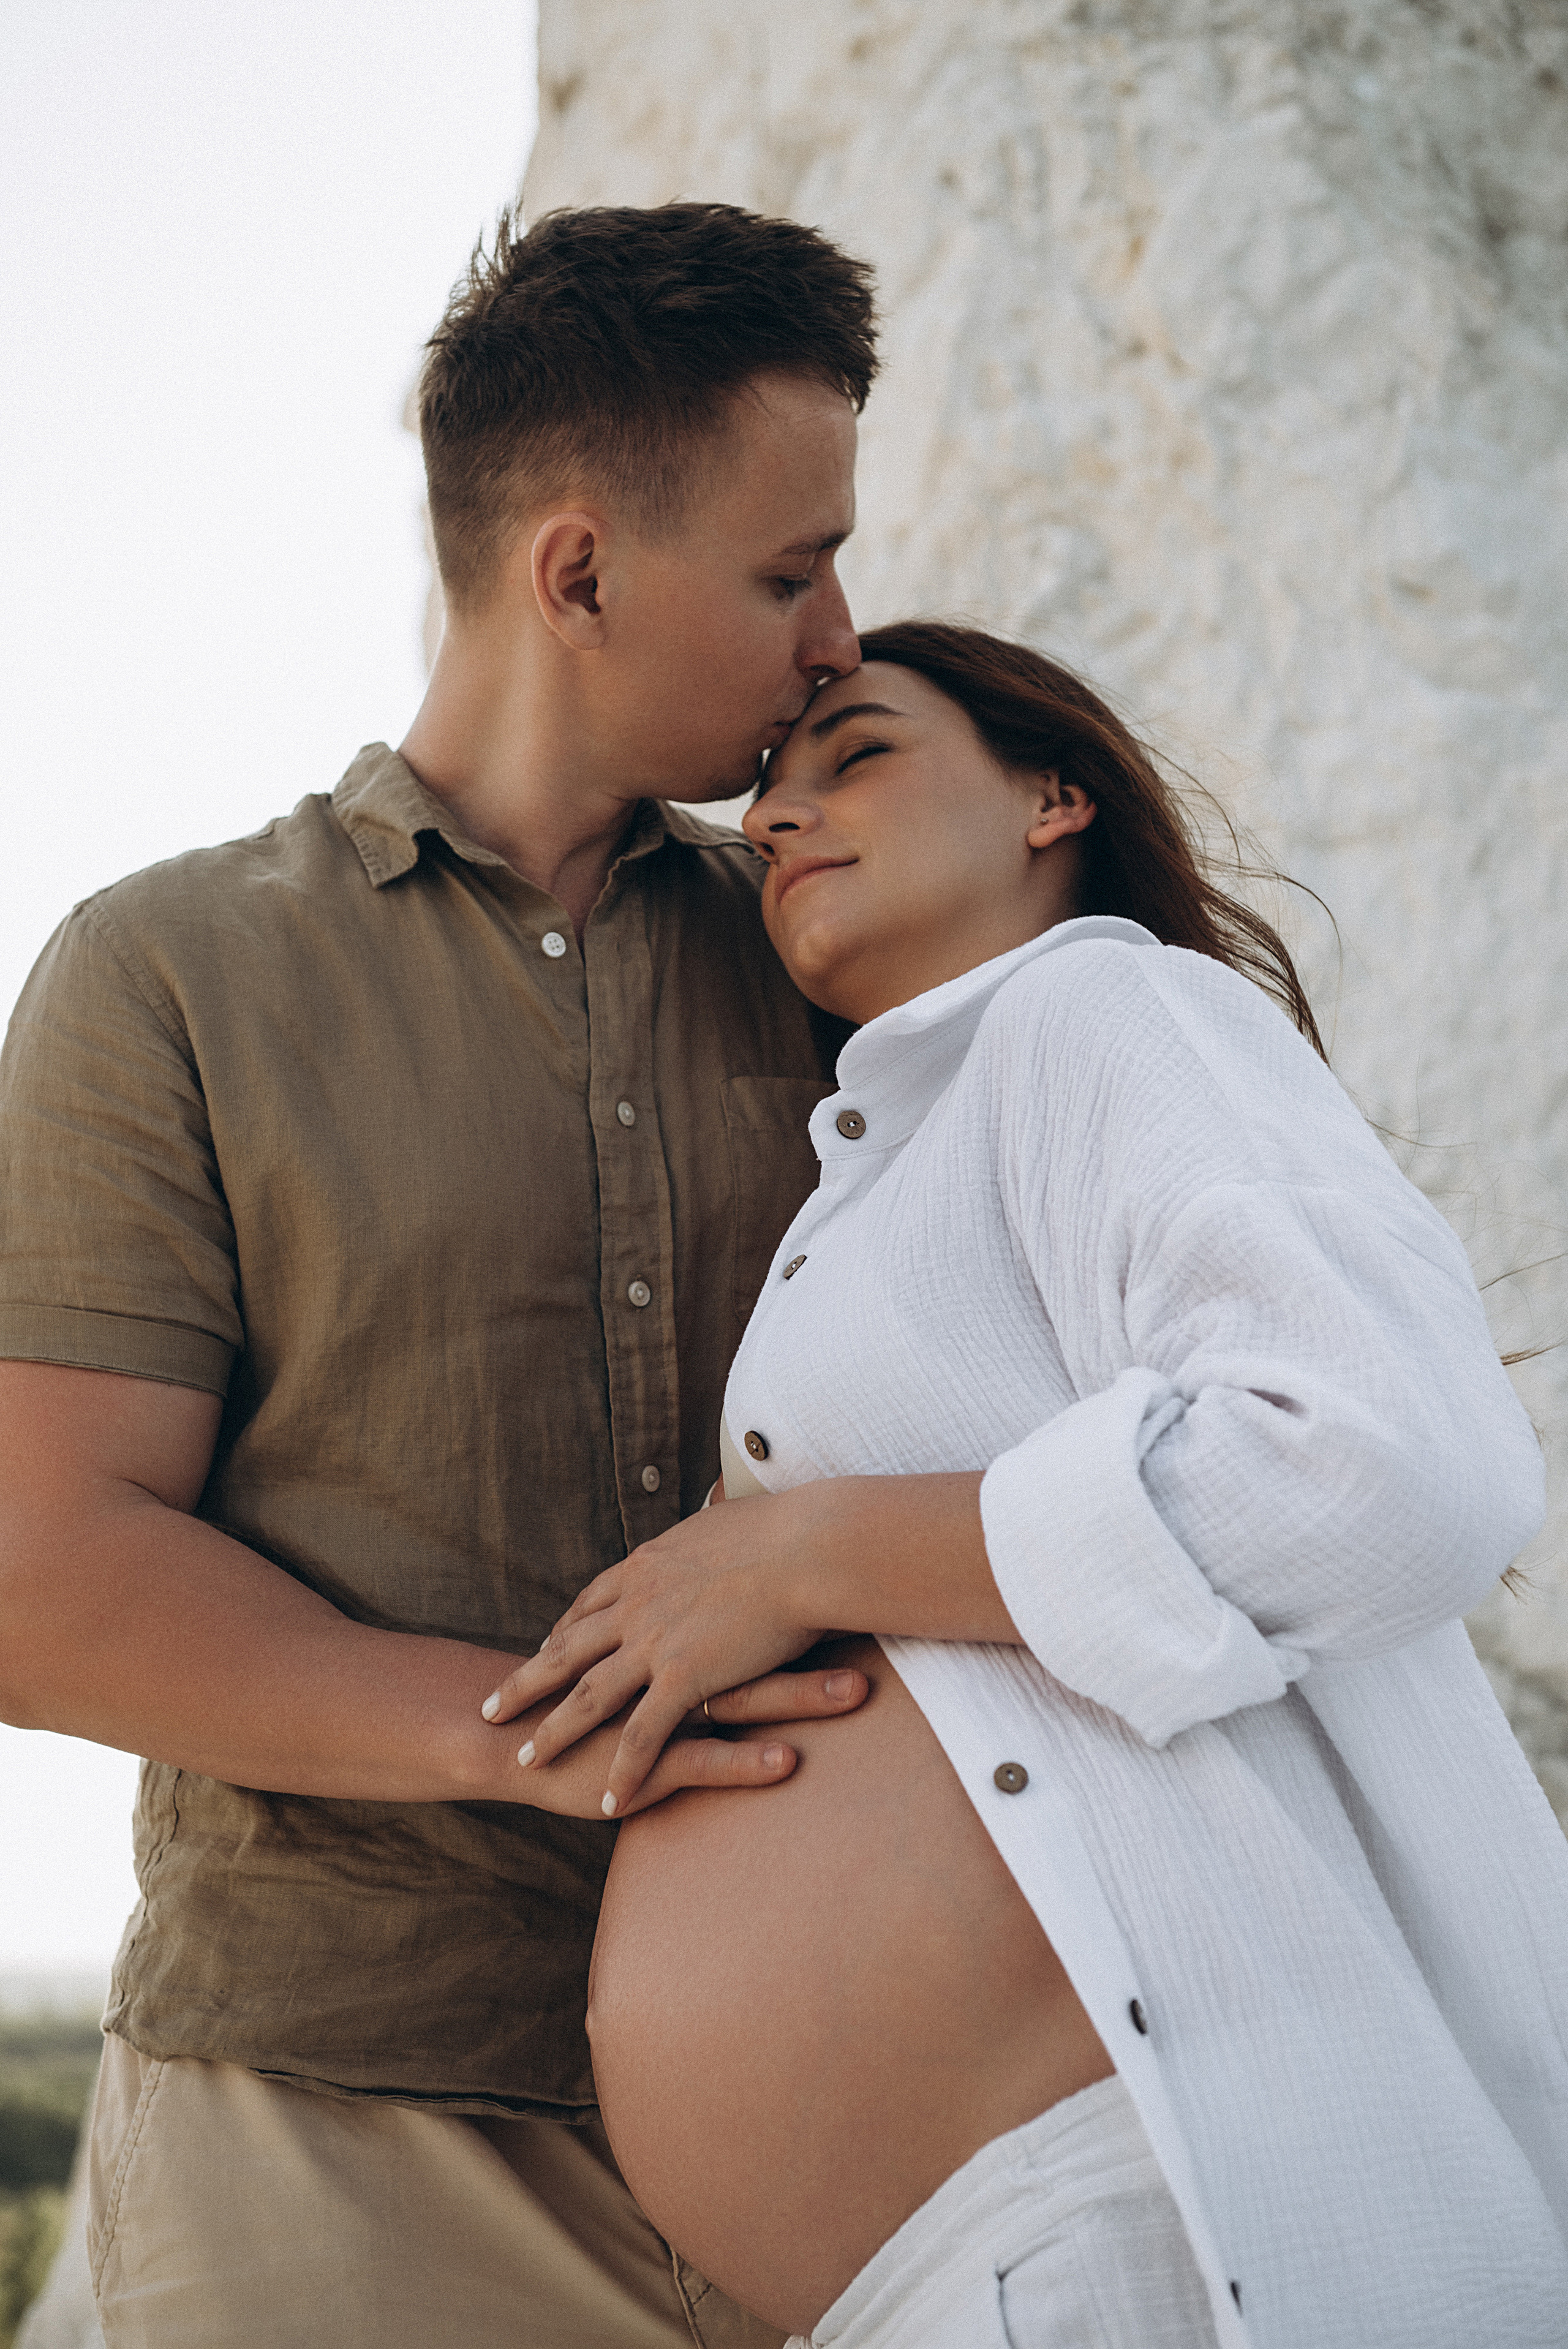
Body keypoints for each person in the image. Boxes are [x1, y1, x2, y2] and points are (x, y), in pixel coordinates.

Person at [0, 202, 892, 2349]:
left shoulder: (850, 969)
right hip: (340, 2130)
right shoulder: (169, 974)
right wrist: (535, 1737)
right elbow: (40, 1575)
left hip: (847, 2111)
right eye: (789, 571)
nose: (841, 636)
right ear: (574, 568)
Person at [489, 624, 1568, 2349]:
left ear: (1051, 796)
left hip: (1149, 2215)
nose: (780, 814)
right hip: (997, 2255)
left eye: (857, 754)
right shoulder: (914, 1139)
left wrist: (808, 1554)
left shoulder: (1098, 1005)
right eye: (767, 793)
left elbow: (1380, 1464)